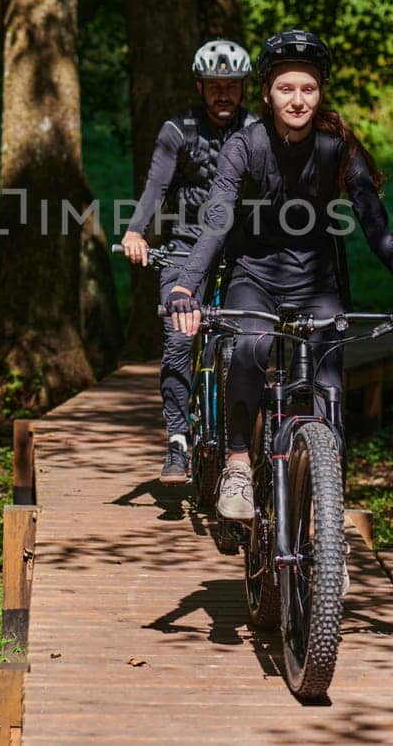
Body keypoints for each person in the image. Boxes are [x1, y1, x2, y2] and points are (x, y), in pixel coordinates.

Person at [165, 29, 393, 521]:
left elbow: (377, 229)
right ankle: (235, 464)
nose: (298, 100)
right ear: (269, 92)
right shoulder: (244, 146)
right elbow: (215, 220)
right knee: (249, 347)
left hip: (318, 283)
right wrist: (187, 286)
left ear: (320, 93)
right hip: (255, 276)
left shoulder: (337, 147)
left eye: (309, 89)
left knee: (329, 377)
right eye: (287, 89)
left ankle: (324, 515)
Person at [121, 39, 259, 484]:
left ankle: (246, 445)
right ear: (199, 86)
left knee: (251, 344)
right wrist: (137, 231)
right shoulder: (176, 130)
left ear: (244, 89)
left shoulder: (258, 130)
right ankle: (178, 438)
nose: (224, 94)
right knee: (181, 338)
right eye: (215, 85)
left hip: (240, 252)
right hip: (182, 247)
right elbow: (156, 188)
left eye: (233, 86)